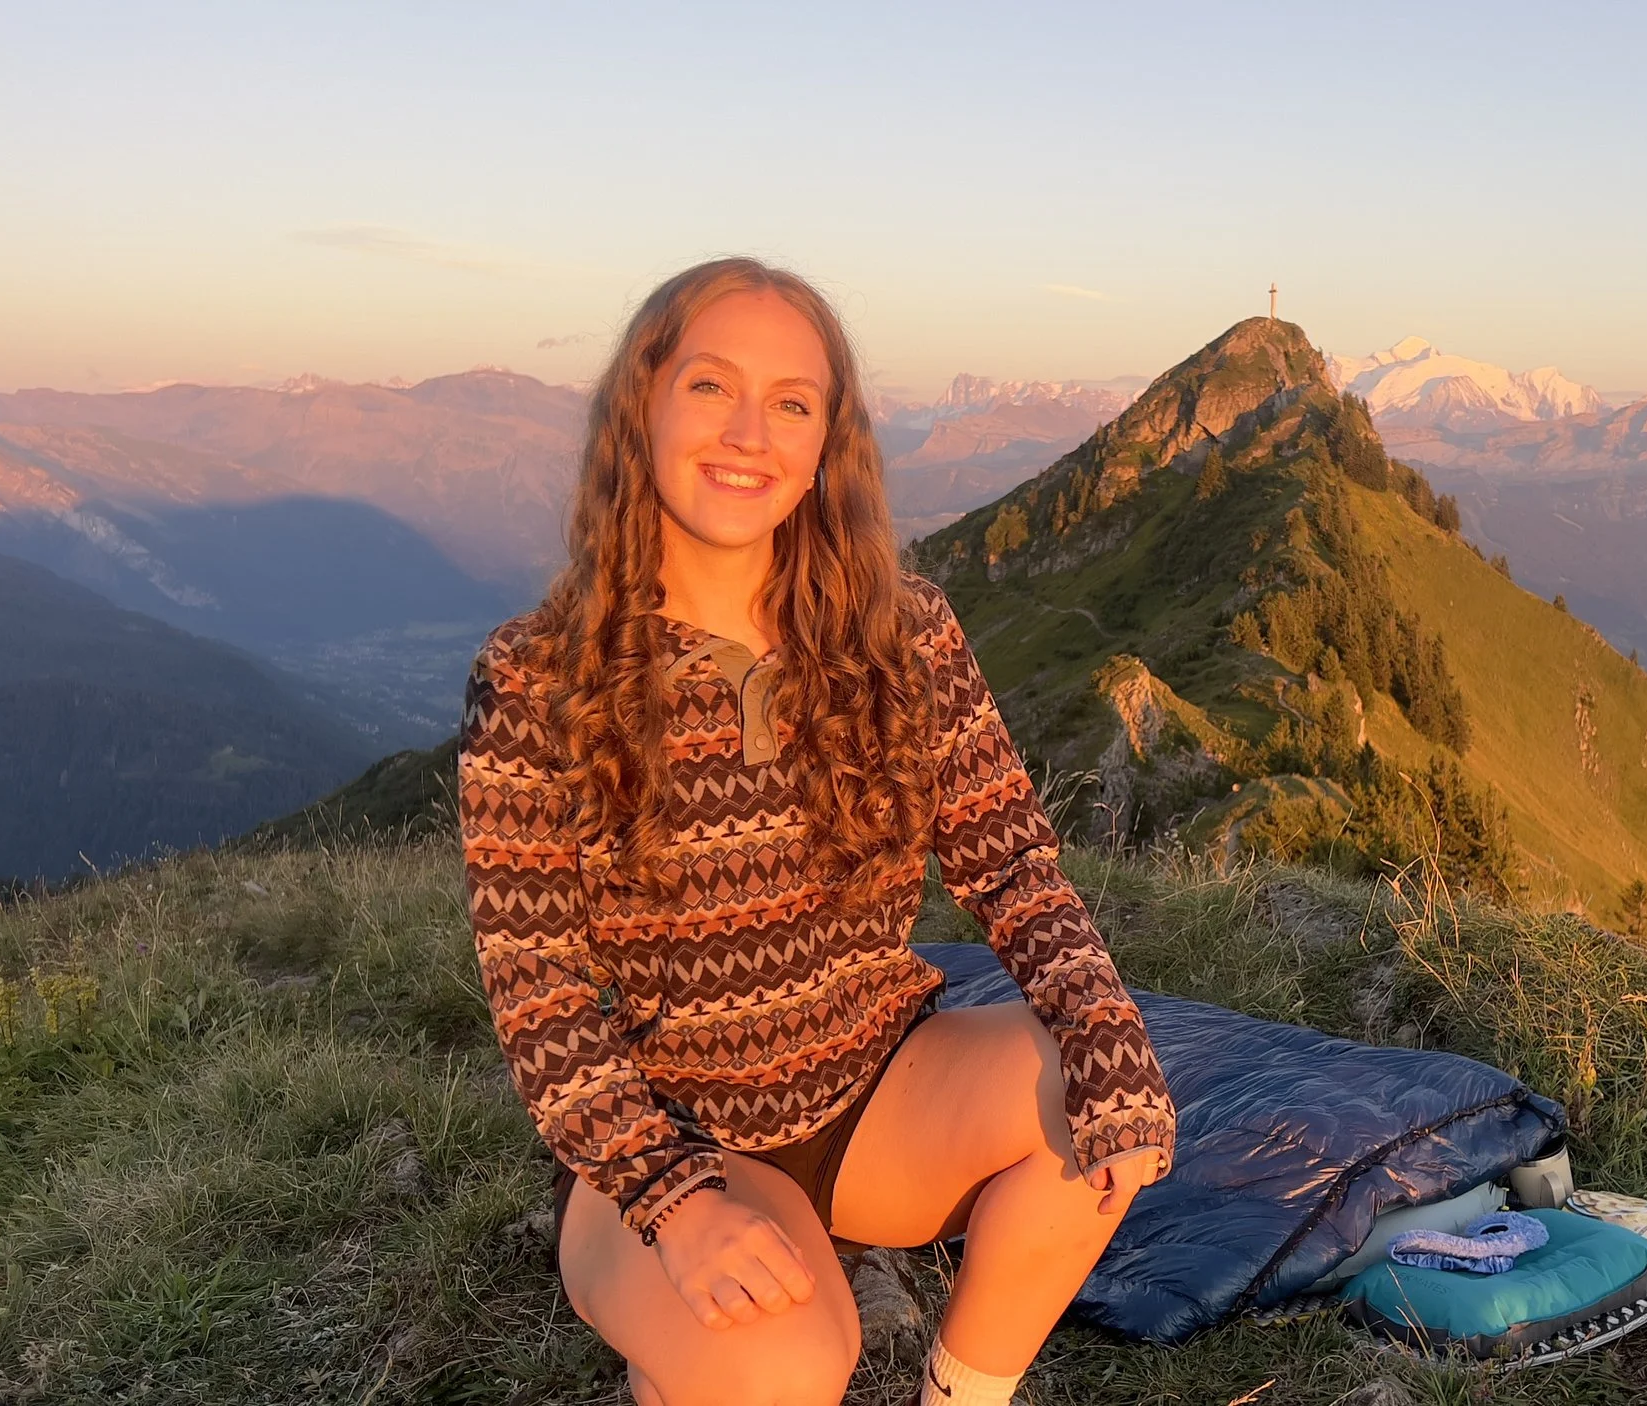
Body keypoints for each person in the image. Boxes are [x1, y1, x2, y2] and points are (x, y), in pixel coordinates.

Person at [457, 257, 1178, 1406]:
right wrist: (678, 1205)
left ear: (825, 443)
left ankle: (961, 1395)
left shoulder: (905, 631)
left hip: (875, 1089)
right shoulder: (540, 676)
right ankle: (680, 1337)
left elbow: (1011, 862)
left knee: (1096, 1096)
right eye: (709, 386)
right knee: (790, 1366)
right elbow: (538, 989)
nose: (749, 432)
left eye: (791, 402)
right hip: (670, 1128)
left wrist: (1103, 1024)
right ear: (640, 404)